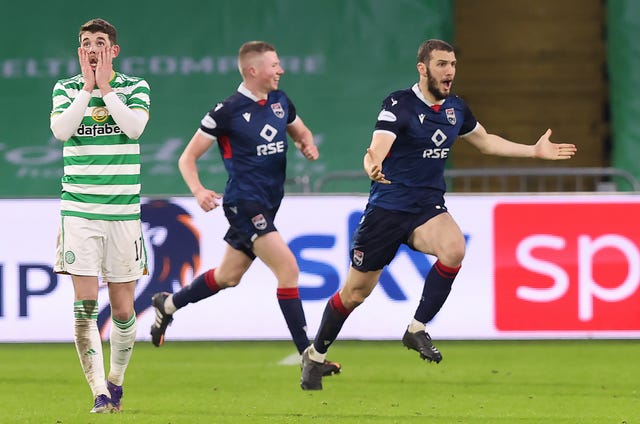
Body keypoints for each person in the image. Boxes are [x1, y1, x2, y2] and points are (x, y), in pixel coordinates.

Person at [300, 38, 577, 390]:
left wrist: (534, 152)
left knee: (454, 248)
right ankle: (315, 356)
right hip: (387, 210)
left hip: (427, 208)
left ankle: (416, 328)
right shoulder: (398, 104)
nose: (450, 72)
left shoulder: (456, 109)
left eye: (453, 65)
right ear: (423, 68)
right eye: (442, 64)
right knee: (355, 293)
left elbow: (486, 141)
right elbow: (375, 149)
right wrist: (372, 165)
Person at [149, 41, 340, 377]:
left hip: (268, 203)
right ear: (253, 71)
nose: (280, 70)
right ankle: (308, 357)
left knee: (227, 277)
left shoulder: (281, 102)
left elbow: (301, 131)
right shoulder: (227, 111)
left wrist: (306, 142)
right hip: (243, 203)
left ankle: (167, 304)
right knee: (289, 270)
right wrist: (197, 190)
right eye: (274, 65)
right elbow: (187, 157)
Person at [50, 18, 151, 412]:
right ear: (80, 51)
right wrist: (88, 88)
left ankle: (117, 380)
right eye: (86, 42)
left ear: (114, 50)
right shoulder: (66, 89)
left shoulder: (134, 87)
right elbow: (61, 131)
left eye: (101, 42)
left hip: (123, 213)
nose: (93, 47)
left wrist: (105, 88)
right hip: (79, 213)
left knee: (124, 310)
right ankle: (99, 393)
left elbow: (135, 128)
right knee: (86, 306)